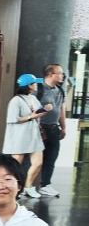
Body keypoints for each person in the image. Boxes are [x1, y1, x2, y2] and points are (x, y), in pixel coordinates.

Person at [3, 73, 47, 199]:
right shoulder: (16, 101)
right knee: (16, 165)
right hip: (20, 137)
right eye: (34, 83)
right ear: (29, 85)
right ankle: (12, 188)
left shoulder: (33, 99)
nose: (37, 85)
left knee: (38, 162)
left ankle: (28, 186)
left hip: (34, 135)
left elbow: (37, 112)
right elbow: (13, 119)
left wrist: (44, 110)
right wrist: (30, 117)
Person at [35, 64, 67, 197]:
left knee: (51, 158)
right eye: (60, 73)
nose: (62, 76)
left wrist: (63, 127)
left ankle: (45, 185)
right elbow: (30, 110)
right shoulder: (38, 89)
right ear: (51, 75)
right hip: (39, 130)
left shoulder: (60, 90)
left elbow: (61, 109)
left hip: (54, 129)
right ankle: (26, 186)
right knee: (34, 160)